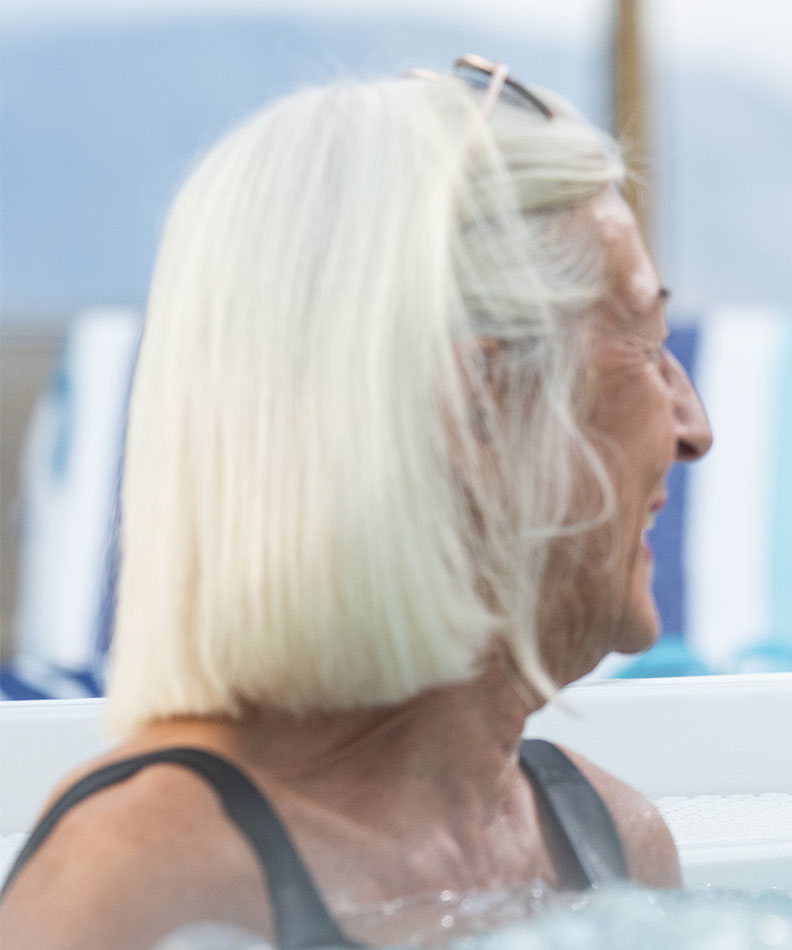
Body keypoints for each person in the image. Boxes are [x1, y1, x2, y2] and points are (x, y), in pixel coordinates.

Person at [0, 56, 711, 948]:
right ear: (476, 405)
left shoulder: (612, 846)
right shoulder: (140, 887)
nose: (693, 425)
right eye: (644, 342)